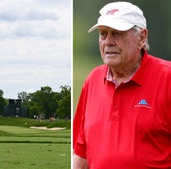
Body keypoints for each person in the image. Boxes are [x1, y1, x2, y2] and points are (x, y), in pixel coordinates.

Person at [73, 1, 171, 168]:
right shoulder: (93, 79)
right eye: (103, 34)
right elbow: (81, 152)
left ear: (141, 37)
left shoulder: (167, 78)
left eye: (117, 33)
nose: (108, 42)